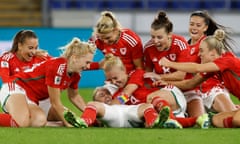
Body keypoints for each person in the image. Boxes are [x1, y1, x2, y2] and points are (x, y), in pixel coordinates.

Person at [0, 37, 96, 127]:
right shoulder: (58, 66)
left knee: (67, 117)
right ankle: (18, 114)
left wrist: (90, 115)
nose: (87, 67)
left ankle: (24, 114)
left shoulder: (76, 74)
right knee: (28, 122)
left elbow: (74, 96)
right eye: (87, 62)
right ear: (75, 58)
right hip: (17, 88)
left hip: (38, 99)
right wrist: (67, 124)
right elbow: (55, 102)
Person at [158, 29, 240, 127]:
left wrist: (169, 63)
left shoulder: (227, 60)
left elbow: (196, 68)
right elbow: (191, 83)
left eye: (201, 51)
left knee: (236, 120)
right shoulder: (214, 67)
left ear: (212, 53)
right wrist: (166, 83)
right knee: (216, 120)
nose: (199, 54)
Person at [185, 10, 236, 117]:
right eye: (191, 24)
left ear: (205, 28)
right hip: (192, 91)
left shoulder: (209, 43)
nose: (194, 27)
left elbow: (225, 58)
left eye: (198, 25)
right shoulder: (184, 46)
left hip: (213, 89)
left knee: (231, 116)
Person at [64, 86, 178, 128]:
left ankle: (154, 122)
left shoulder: (120, 100)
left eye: (108, 93)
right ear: (97, 99)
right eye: (101, 95)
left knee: (147, 106)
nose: (107, 96)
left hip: (128, 111)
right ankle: (84, 122)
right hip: (113, 116)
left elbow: (125, 95)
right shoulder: (99, 107)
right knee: (91, 105)